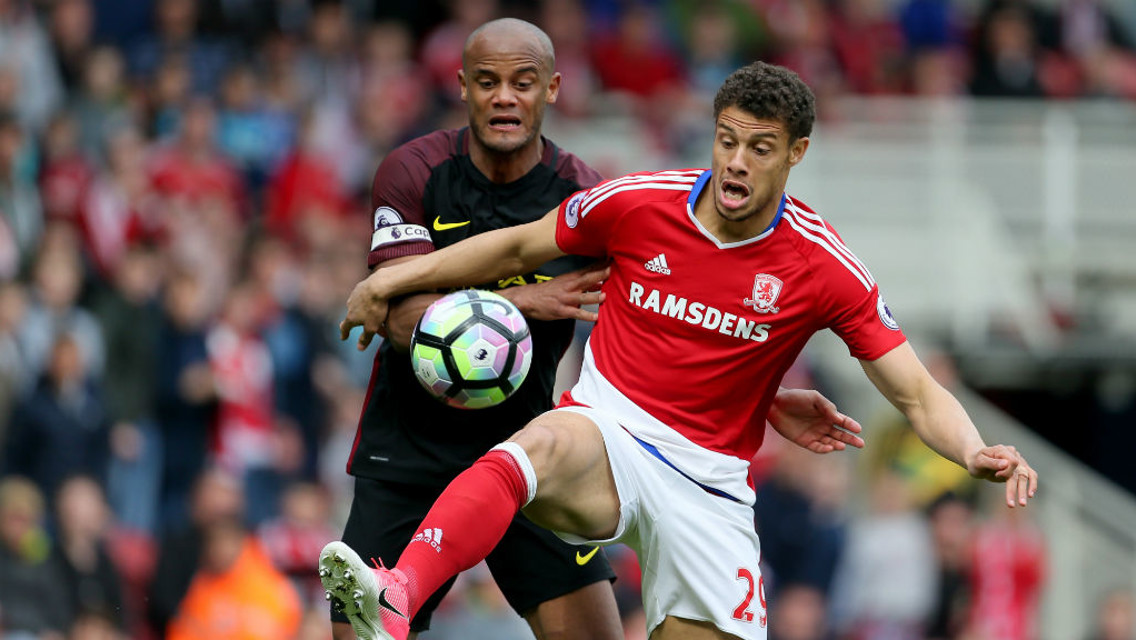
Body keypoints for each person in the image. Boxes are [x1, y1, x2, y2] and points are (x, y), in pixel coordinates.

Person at [329, 22, 876, 640]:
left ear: (554, 90)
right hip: (407, 450)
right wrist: (530, 299)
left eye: (522, 82)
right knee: (364, 630)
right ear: (462, 88)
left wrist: (763, 397)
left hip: (537, 449)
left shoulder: (585, 194)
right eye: (487, 82)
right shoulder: (413, 170)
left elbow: (659, 313)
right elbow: (398, 318)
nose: (504, 96)